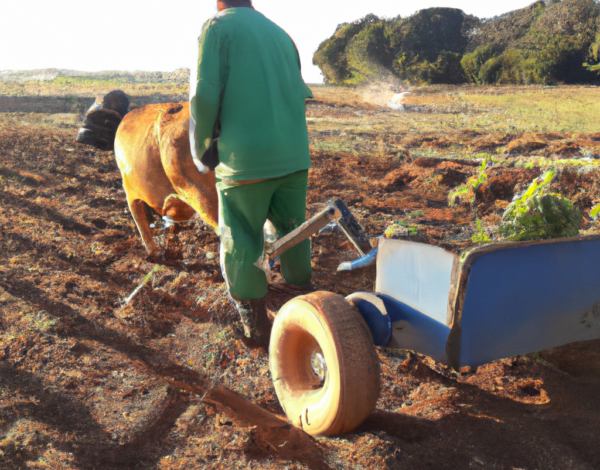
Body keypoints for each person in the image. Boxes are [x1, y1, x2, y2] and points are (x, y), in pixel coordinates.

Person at [189, 0, 314, 346]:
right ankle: (305, 304)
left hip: (244, 162)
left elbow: (204, 94)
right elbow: (299, 93)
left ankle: (256, 327)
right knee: (294, 229)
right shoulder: (280, 34)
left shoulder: (216, 28)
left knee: (242, 236)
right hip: (294, 157)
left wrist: (201, 148)